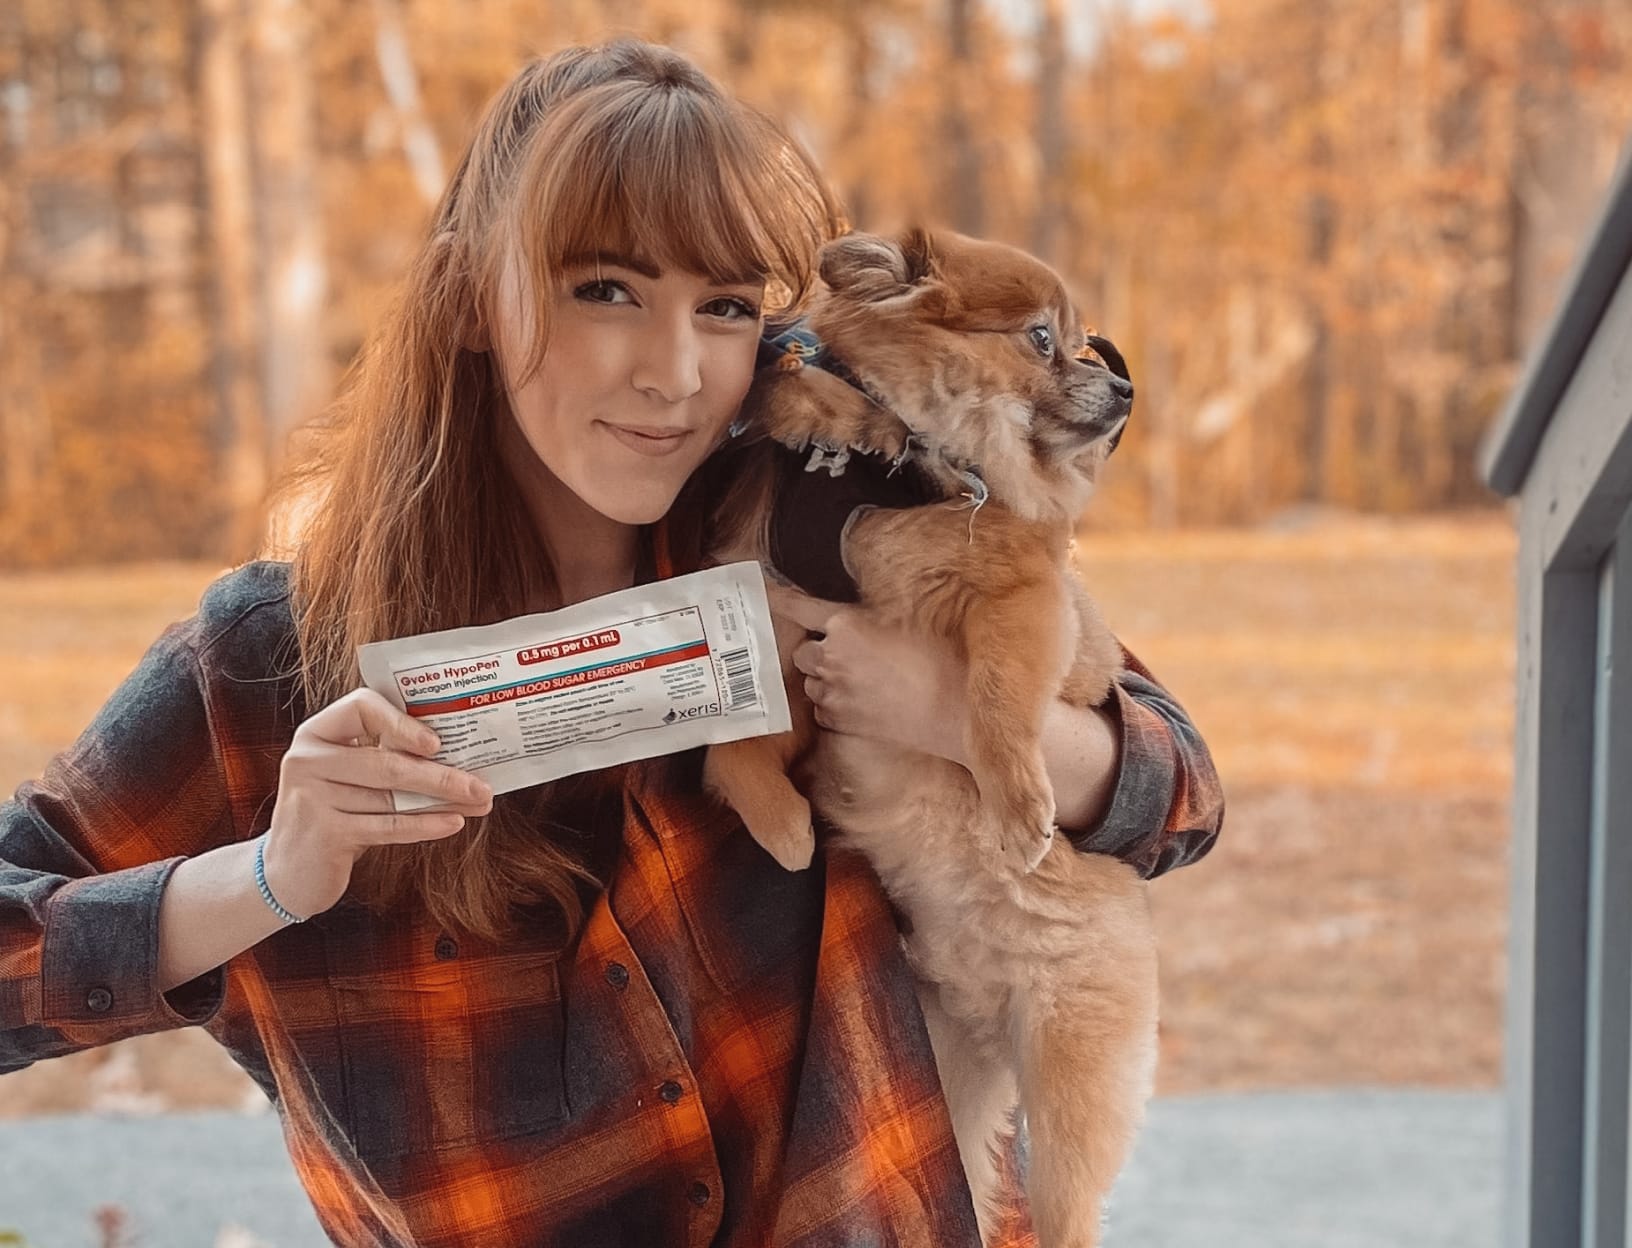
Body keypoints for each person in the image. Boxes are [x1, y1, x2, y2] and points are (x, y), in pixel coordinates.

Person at [0, 37, 1224, 1248]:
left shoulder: (828, 522)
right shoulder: (271, 667)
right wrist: (267, 877)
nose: (676, 373)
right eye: (607, 292)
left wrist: (949, 709)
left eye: (727, 307)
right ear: (476, 299)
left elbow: (1176, 795)